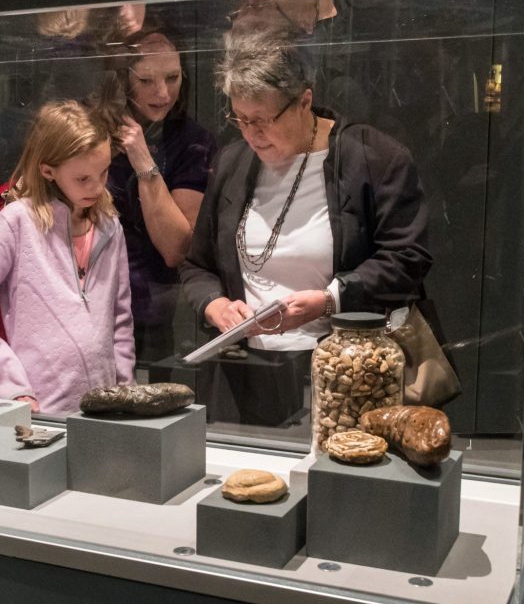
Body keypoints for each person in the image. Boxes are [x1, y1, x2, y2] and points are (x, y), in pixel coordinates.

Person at [179, 33, 431, 425]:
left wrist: (331, 299)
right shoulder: (232, 162)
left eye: (262, 120)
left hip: (346, 368)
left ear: (305, 102)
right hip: (245, 369)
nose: (250, 134)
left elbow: (408, 258)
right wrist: (215, 305)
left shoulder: (375, 158)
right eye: (240, 119)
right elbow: (197, 266)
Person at [0, 100, 134, 415]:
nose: (96, 186)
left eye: (104, 172)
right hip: (40, 407)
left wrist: (125, 388)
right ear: (48, 170)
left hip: (105, 409)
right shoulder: (17, 222)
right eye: (83, 179)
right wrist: (13, 389)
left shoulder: (110, 225)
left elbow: (120, 316)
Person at [99, 28, 217, 363]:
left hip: (152, 299)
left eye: (172, 77)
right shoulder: (89, 125)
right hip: (84, 292)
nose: (163, 92)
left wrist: (141, 158)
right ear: (122, 80)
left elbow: (176, 249)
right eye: (146, 80)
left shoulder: (194, 142)